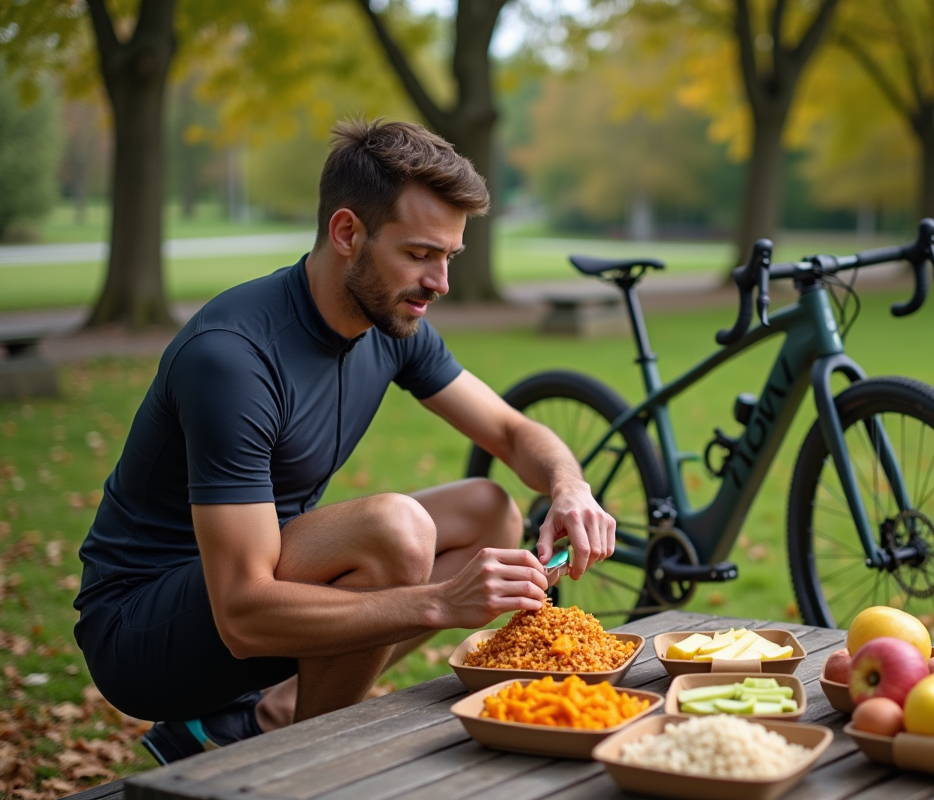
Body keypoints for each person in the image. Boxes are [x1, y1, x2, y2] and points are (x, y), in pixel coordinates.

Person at [72, 119, 616, 764]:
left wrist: (569, 485)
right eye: (418, 254)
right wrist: (442, 602)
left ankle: (263, 723)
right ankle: (312, 766)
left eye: (449, 257)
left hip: (259, 584)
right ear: (347, 233)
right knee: (394, 528)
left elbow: (510, 430)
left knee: (490, 510)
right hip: (145, 633)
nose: (439, 282)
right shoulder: (232, 359)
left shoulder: (391, 321)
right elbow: (242, 615)